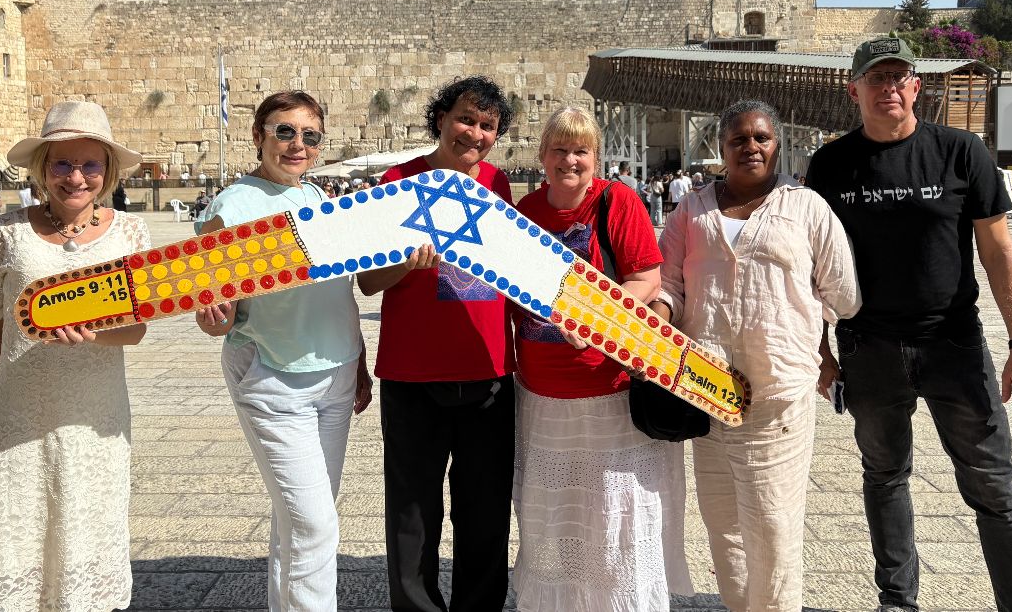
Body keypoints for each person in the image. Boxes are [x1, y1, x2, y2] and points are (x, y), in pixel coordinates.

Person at [807, 37, 1012, 612]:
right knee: (885, 475)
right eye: (876, 78)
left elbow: (999, 253)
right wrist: (821, 351)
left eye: (898, 77)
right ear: (854, 89)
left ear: (916, 86)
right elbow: (808, 267)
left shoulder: (962, 152)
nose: (888, 87)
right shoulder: (831, 165)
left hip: (953, 342)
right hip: (870, 346)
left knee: (993, 485)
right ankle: (897, 600)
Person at [653, 99, 860, 612]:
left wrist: (808, 330)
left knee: (772, 524)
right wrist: (657, 309)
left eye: (761, 138)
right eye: (738, 139)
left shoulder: (806, 207)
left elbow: (844, 293)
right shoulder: (691, 210)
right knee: (724, 526)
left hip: (778, 391)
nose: (750, 147)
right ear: (720, 148)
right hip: (706, 388)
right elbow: (671, 283)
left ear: (777, 143)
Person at [0, 100, 151, 611]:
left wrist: (94, 334)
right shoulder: (6, 231)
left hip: (97, 411)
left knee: (88, 527)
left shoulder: (130, 232)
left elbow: (136, 330)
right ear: (42, 168)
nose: (76, 177)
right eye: (62, 164)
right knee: (15, 527)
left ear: (108, 171)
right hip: (20, 408)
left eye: (90, 164)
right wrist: (27, 373)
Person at [194, 90, 371, 611]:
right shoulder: (232, 207)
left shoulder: (317, 199)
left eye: (310, 136)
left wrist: (358, 361)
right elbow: (217, 313)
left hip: (335, 372)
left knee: (298, 520)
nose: (298, 145)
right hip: (274, 374)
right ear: (259, 137)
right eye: (285, 132)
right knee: (313, 523)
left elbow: (337, 290)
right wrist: (214, 316)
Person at [511, 106, 693, 611]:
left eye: (581, 151)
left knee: (615, 522)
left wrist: (595, 324)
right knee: (553, 520)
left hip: (608, 393)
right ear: (543, 155)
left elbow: (645, 278)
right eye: (559, 149)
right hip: (543, 397)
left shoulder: (618, 202)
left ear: (595, 157)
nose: (570, 160)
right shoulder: (524, 211)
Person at [357, 75, 515, 612]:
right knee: (412, 515)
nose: (475, 133)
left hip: (487, 368)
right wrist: (406, 262)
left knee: (485, 512)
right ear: (441, 119)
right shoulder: (396, 181)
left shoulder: (498, 183)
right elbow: (368, 282)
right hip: (412, 372)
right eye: (466, 119)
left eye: (487, 126)